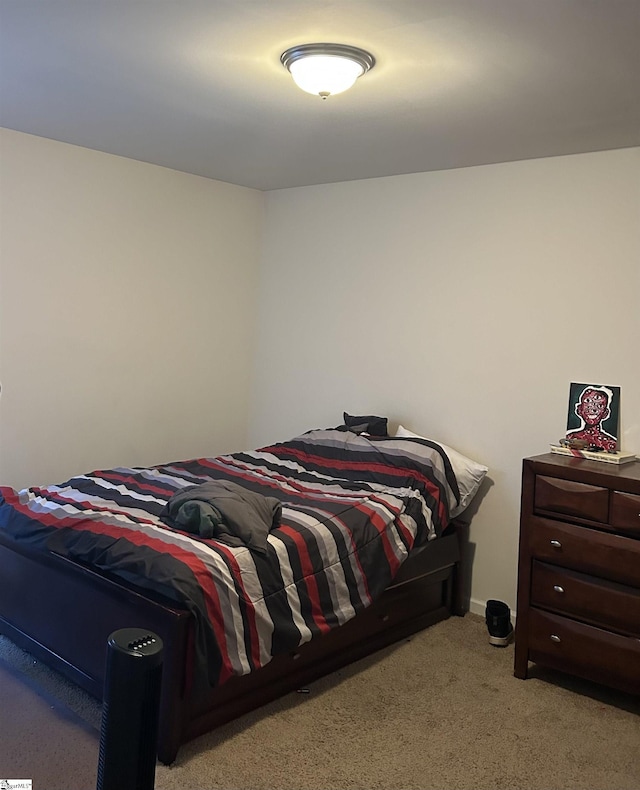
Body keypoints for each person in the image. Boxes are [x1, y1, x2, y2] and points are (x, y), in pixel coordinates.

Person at [566, 386, 617, 452]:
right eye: (588, 402)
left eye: (599, 405)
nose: (593, 409)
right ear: (579, 410)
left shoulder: (611, 444)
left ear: (605, 413)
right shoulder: (570, 438)